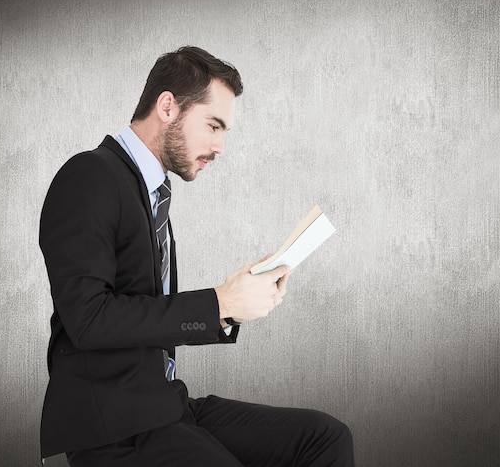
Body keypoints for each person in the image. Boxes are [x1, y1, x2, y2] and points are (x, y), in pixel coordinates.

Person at [39, 46, 354, 466]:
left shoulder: (150, 193)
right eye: (214, 125)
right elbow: (89, 320)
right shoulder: (90, 176)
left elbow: (144, 310)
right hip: (116, 427)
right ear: (167, 106)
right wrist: (217, 303)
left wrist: (230, 310)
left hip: (167, 405)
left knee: (325, 437)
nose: (220, 146)